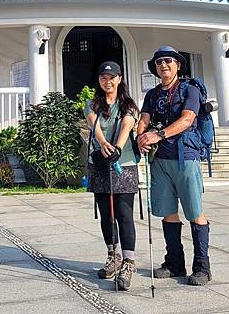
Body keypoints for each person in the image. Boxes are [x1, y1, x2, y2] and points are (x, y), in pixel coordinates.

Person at [137, 46, 212, 286]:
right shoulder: (152, 94)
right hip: (160, 160)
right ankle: (175, 263)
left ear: (178, 65)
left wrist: (157, 136)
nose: (163, 65)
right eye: (159, 62)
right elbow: (144, 119)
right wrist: (141, 138)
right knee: (168, 211)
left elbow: (188, 119)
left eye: (168, 61)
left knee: (194, 211)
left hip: (185, 157)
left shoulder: (189, 90)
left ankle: (202, 267)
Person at [86, 61, 140, 291]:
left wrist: (116, 147)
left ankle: (128, 261)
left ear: (119, 79)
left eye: (112, 77)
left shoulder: (128, 104)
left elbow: (127, 125)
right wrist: (103, 144)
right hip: (99, 164)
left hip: (123, 165)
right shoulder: (92, 104)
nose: (107, 81)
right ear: (99, 80)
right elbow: (93, 125)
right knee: (106, 214)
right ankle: (113, 256)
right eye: (103, 77)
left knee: (124, 213)